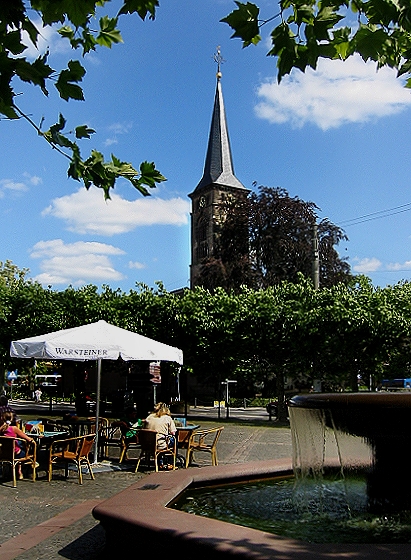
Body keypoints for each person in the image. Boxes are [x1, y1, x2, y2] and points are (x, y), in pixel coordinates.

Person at [0, 412, 35, 480]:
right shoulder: (14, 428)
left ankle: (15, 471)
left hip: (4, 453)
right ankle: (20, 471)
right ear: (12, 419)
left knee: (19, 446)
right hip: (15, 454)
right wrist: (33, 439)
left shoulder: (1, 429)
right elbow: (28, 439)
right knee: (24, 451)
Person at [144, 402, 176, 469]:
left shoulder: (149, 417)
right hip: (160, 444)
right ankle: (170, 462)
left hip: (147, 444)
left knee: (157, 438)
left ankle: (160, 463)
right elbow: (173, 432)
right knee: (173, 440)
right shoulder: (167, 418)